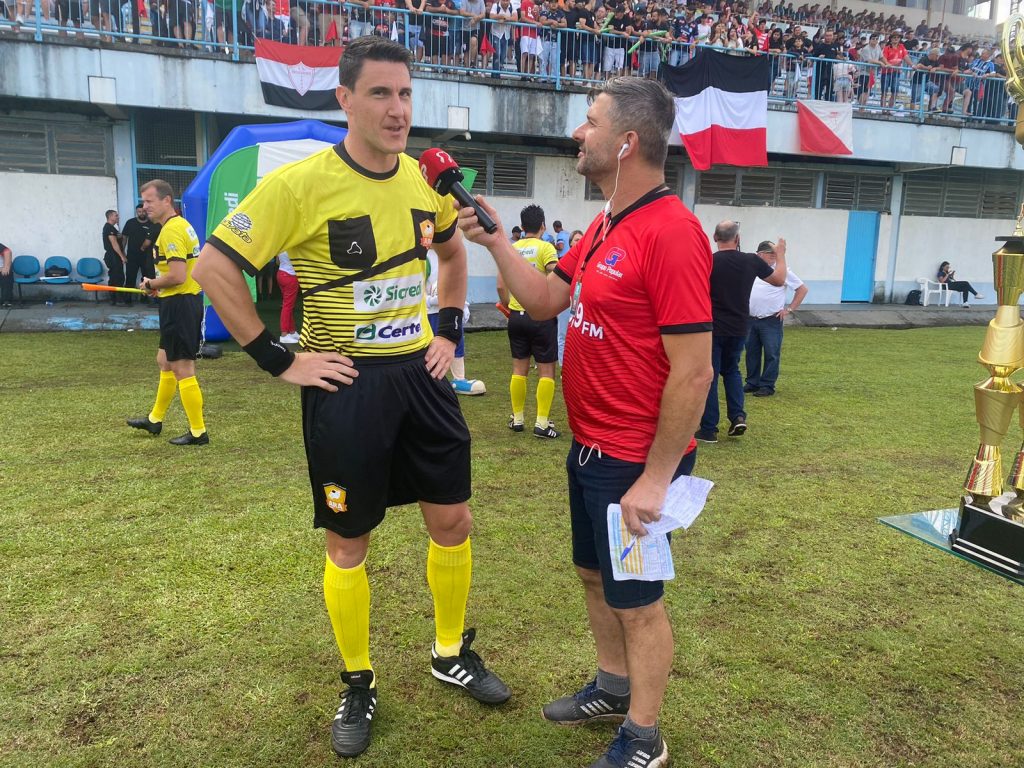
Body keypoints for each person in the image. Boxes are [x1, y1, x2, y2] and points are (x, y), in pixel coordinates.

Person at [191, 37, 510, 761]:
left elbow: (452, 254)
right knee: (348, 540)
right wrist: (279, 360)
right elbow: (213, 268)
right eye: (380, 94)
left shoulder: (426, 183)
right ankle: (358, 680)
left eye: (405, 94)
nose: (398, 110)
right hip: (347, 384)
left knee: (453, 520)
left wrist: (449, 330)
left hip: (421, 379)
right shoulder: (299, 185)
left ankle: (449, 652)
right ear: (345, 100)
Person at [457, 76, 713, 768]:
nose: (578, 132)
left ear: (626, 143)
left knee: (638, 602)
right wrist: (496, 243)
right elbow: (545, 300)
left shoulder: (672, 233)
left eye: (590, 121)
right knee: (594, 577)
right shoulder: (605, 224)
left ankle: (644, 736)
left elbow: (695, 372)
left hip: (636, 460)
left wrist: (656, 478)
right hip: (592, 447)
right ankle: (611, 687)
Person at [126, 179, 209, 446]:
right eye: (143, 201)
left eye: (150, 201)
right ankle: (155, 419)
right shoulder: (178, 225)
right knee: (164, 361)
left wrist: (151, 283)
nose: (145, 206)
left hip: (180, 305)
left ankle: (198, 432)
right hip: (177, 301)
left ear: (166, 200)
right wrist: (158, 287)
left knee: (183, 368)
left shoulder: (172, 230)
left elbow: (177, 276)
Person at [696, 221, 786, 443]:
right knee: (732, 371)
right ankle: (737, 417)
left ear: (715, 237)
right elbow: (779, 280)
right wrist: (781, 255)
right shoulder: (751, 260)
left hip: (712, 327)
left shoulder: (708, 261)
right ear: (737, 239)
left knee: (710, 376)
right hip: (739, 327)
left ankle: (708, 429)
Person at [501, 204, 561, 438]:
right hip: (541, 315)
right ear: (543, 226)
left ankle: (517, 419)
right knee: (546, 370)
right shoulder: (546, 247)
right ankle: (542, 424)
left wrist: (508, 305)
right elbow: (556, 276)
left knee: (519, 369)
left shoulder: (511, 249)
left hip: (517, 316)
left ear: (522, 226)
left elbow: (501, 285)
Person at [744, 240, 807, 397]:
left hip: (770, 319)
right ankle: (752, 382)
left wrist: (789, 309)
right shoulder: (751, 269)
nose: (773, 256)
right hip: (751, 318)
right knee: (751, 352)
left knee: (771, 353)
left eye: (775, 253)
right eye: (770, 253)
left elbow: (802, 289)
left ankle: (767, 385)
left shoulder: (782, 271)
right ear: (760, 254)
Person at [122, 203, 159, 306]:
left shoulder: (152, 223)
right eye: (139, 211)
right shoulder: (130, 223)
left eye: (143, 211)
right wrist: (122, 252)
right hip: (132, 256)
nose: (141, 213)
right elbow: (124, 238)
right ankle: (127, 300)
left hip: (147, 256)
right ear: (136, 212)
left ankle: (145, 298)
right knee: (130, 277)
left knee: (147, 278)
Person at [102, 209, 128, 306]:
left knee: (114, 277)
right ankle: (118, 300)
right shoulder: (109, 228)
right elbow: (114, 244)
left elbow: (117, 241)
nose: (118, 217)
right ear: (110, 217)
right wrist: (122, 256)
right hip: (113, 256)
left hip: (114, 255)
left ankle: (113, 299)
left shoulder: (112, 228)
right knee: (118, 278)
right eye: (116, 215)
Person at [276, 251, 300, 344]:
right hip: (290, 276)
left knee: (288, 305)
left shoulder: (281, 246)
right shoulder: (293, 246)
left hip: (281, 274)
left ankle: (292, 332)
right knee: (287, 306)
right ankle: (284, 335)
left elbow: (278, 262)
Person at [0, 242, 12, 308]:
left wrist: (6, 266)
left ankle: (6, 300)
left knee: (6, 274)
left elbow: (7, 251)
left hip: (3, 267)